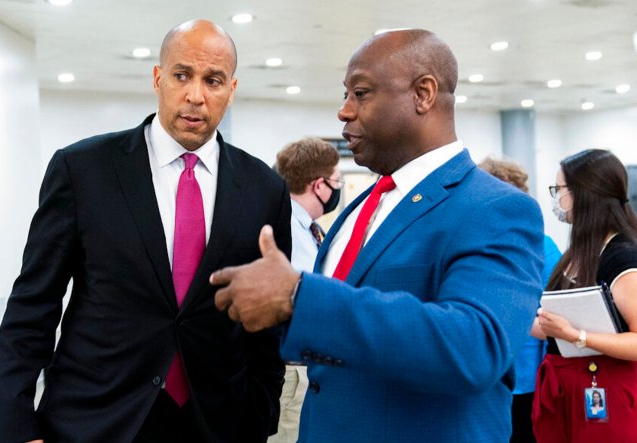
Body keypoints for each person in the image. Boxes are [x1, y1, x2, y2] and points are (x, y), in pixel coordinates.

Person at [210, 29, 544, 442]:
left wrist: (300, 296)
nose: (344, 112)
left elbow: (475, 347)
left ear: (423, 94)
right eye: (345, 95)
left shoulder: (494, 208)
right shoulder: (364, 205)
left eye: (361, 93)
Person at [0, 19, 290, 443]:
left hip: (217, 422)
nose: (195, 95)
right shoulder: (83, 170)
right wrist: (16, 428)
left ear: (232, 89)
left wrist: (260, 417)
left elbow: (267, 327)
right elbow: (32, 308)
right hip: (95, 419)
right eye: (182, 75)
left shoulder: (265, 189)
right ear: (158, 78)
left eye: (214, 80)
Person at [532, 149, 637, 442]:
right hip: (563, 387)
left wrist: (576, 335)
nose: (557, 199)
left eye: (560, 190)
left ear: (584, 194)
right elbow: (555, 326)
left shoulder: (626, 257)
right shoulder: (578, 253)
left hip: (608, 393)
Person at [478, 157, 562, 443]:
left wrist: (510, 314)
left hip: (527, 375)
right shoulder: (472, 244)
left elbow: (558, 310)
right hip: (483, 372)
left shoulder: (543, 246)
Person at [270, 137, 341, 443]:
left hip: (308, 370)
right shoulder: (284, 227)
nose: (338, 189)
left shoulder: (310, 228)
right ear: (319, 185)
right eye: (337, 180)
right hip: (291, 373)